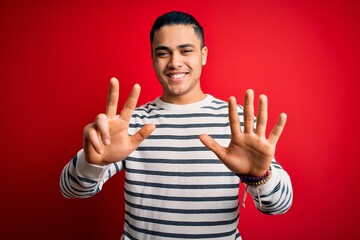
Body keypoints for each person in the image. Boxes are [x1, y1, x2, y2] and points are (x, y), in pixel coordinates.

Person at [60, 11, 293, 240]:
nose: (174, 62)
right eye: (163, 53)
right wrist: (91, 163)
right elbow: (70, 190)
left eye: (185, 51)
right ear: (152, 58)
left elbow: (280, 206)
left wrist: (259, 177)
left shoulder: (237, 123)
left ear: (203, 55)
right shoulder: (129, 124)